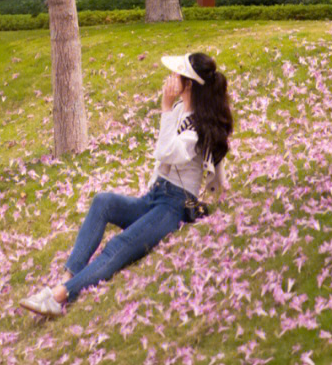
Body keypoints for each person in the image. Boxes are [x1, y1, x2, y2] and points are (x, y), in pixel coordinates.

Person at [21, 51, 233, 317]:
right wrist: (170, 110)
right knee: (103, 202)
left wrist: (165, 108)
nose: (170, 78)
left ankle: (58, 297)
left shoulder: (196, 127)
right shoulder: (181, 110)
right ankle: (64, 280)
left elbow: (166, 153)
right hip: (155, 197)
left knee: (118, 246)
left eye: (177, 75)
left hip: (173, 207)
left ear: (188, 84)